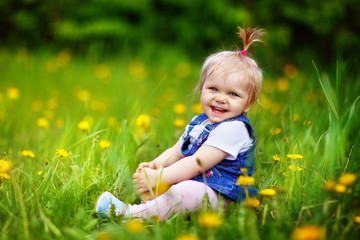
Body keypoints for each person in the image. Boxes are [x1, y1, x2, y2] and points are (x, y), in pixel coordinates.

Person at [95, 27, 265, 220]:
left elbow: (197, 163)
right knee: (172, 183)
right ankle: (156, 207)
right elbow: (177, 151)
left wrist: (160, 178)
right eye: (213, 89)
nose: (220, 98)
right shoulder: (199, 122)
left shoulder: (235, 129)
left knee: (185, 190)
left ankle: (130, 214)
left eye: (233, 94)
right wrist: (157, 165)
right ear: (202, 89)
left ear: (249, 103)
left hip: (224, 198)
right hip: (197, 188)